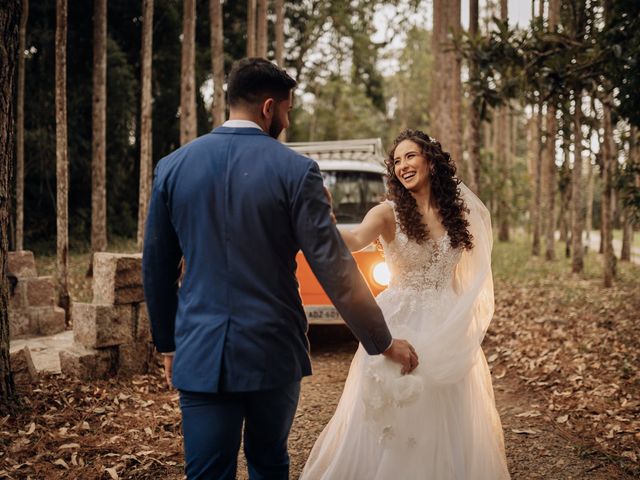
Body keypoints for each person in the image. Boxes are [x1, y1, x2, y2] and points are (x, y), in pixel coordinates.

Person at [141, 57, 418, 480]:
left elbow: (156, 267)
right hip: (273, 350)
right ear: (269, 107)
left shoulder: (173, 167)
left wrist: (167, 345)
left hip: (199, 351)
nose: (286, 121)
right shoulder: (296, 170)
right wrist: (381, 341)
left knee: (205, 472)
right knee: (269, 463)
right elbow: (334, 267)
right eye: (287, 110)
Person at [301, 129, 510, 479]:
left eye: (410, 156)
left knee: (449, 412)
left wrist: (463, 322)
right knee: (401, 412)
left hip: (447, 322)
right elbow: (354, 238)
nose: (402, 165)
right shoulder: (387, 213)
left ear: (429, 160)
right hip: (401, 321)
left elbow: (468, 276)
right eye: (396, 161)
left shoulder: (457, 214)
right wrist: (321, 220)